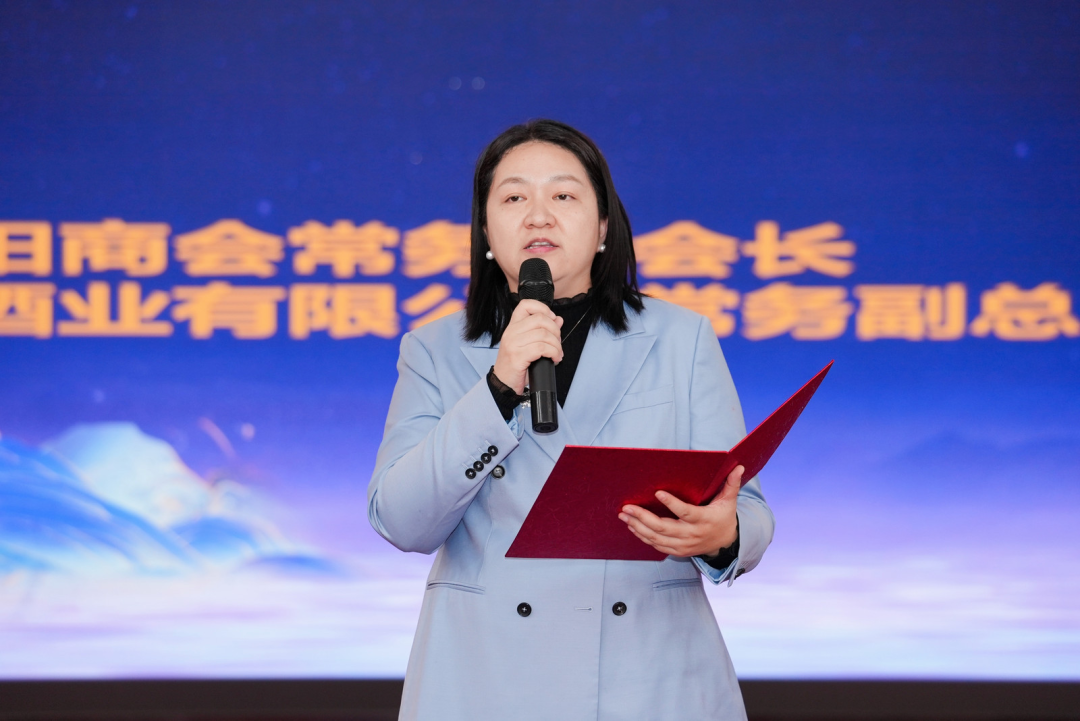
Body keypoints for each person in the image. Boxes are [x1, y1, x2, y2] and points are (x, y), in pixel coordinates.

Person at [368, 119, 774, 720]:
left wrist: (722, 537)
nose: (539, 216)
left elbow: (749, 510)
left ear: (603, 225)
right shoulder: (434, 350)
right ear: (485, 230)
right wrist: (497, 389)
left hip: (649, 675)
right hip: (489, 678)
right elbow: (401, 520)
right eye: (514, 198)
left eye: (563, 195)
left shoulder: (680, 337)